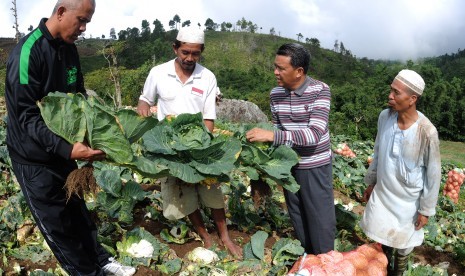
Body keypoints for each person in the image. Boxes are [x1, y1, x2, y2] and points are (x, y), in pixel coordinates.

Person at [5, 0, 136, 275]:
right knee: (58, 226)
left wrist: (92, 137)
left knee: (77, 214)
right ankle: (87, 272)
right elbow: (26, 117)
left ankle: (101, 261)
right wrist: (66, 149)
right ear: (61, 12)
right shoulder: (28, 53)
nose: (84, 28)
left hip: (65, 151)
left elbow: (79, 100)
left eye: (87, 21)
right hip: (35, 159)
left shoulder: (70, 49)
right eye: (81, 20)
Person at [136, 26, 243, 258]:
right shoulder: (158, 72)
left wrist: (200, 148)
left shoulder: (207, 77)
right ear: (175, 48)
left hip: (200, 146)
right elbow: (145, 99)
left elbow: (208, 118)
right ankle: (205, 235)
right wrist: (143, 109)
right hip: (170, 148)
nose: (189, 58)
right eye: (185, 52)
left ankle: (225, 236)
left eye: (195, 53)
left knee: (213, 193)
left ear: (201, 51)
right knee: (184, 195)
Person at [245, 43, 336, 254]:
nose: (276, 72)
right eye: (275, 67)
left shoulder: (320, 90)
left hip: (315, 166)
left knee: (320, 221)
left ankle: (325, 262)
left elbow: (314, 134)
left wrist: (271, 136)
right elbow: (278, 126)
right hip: (289, 167)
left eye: (281, 68)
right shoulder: (275, 94)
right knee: (298, 217)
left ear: (299, 71)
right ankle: (308, 260)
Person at [359, 69, 441, 275]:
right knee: (380, 238)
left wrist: (425, 210)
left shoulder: (427, 132)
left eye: (396, 93)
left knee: (403, 246)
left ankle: (399, 272)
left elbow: (433, 175)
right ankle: (382, 268)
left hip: (409, 203)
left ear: (412, 99)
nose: (390, 96)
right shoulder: (385, 118)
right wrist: (371, 182)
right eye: (391, 90)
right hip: (384, 194)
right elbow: (378, 152)